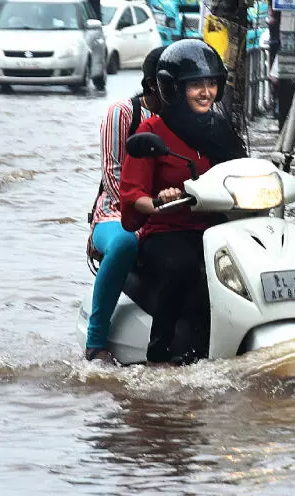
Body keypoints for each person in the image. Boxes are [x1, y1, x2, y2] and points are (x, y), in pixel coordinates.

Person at [119, 39, 249, 365]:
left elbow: (243, 169)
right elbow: (133, 195)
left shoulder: (220, 129)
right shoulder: (152, 132)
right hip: (167, 230)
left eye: (211, 83)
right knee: (185, 267)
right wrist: (160, 198)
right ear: (174, 89)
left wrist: (284, 177)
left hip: (217, 228)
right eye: (195, 85)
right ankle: (159, 354)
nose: (206, 92)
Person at [84, 46, 167, 363]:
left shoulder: (190, 122)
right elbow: (113, 174)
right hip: (117, 213)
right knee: (123, 244)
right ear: (151, 84)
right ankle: (95, 342)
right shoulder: (123, 113)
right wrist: (147, 210)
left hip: (172, 214)